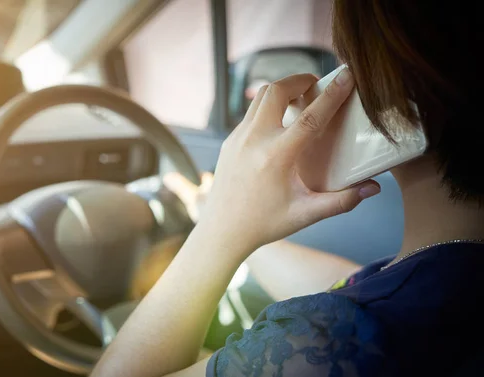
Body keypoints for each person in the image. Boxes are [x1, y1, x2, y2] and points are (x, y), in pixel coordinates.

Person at [91, 1, 484, 376]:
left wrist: (217, 230)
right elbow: (349, 285)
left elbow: (350, 320)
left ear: (395, 90)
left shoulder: (328, 344)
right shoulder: (439, 277)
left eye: (352, 63)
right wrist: (223, 219)